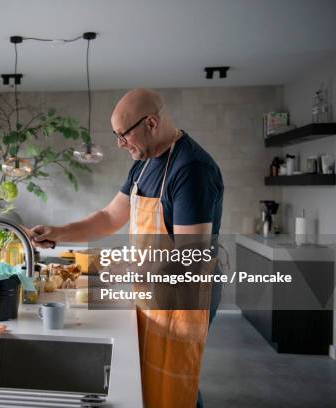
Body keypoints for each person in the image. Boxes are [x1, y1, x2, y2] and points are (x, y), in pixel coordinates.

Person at [29, 88, 223, 408]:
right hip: (150, 283)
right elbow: (108, 217)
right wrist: (57, 233)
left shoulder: (192, 170)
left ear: (151, 123)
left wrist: (123, 268)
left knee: (175, 381)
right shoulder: (144, 163)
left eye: (123, 135)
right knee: (147, 370)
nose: (120, 144)